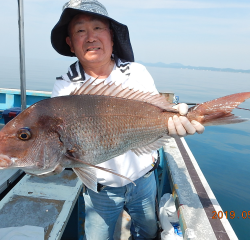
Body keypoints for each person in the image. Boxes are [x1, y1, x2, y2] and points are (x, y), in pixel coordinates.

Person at [51, 0, 204, 239]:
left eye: (98, 28)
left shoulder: (136, 72)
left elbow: (158, 114)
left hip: (144, 180)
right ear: (71, 43)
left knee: (148, 232)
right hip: (100, 190)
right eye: (80, 31)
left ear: (111, 36)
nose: (91, 37)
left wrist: (174, 121)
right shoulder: (64, 86)